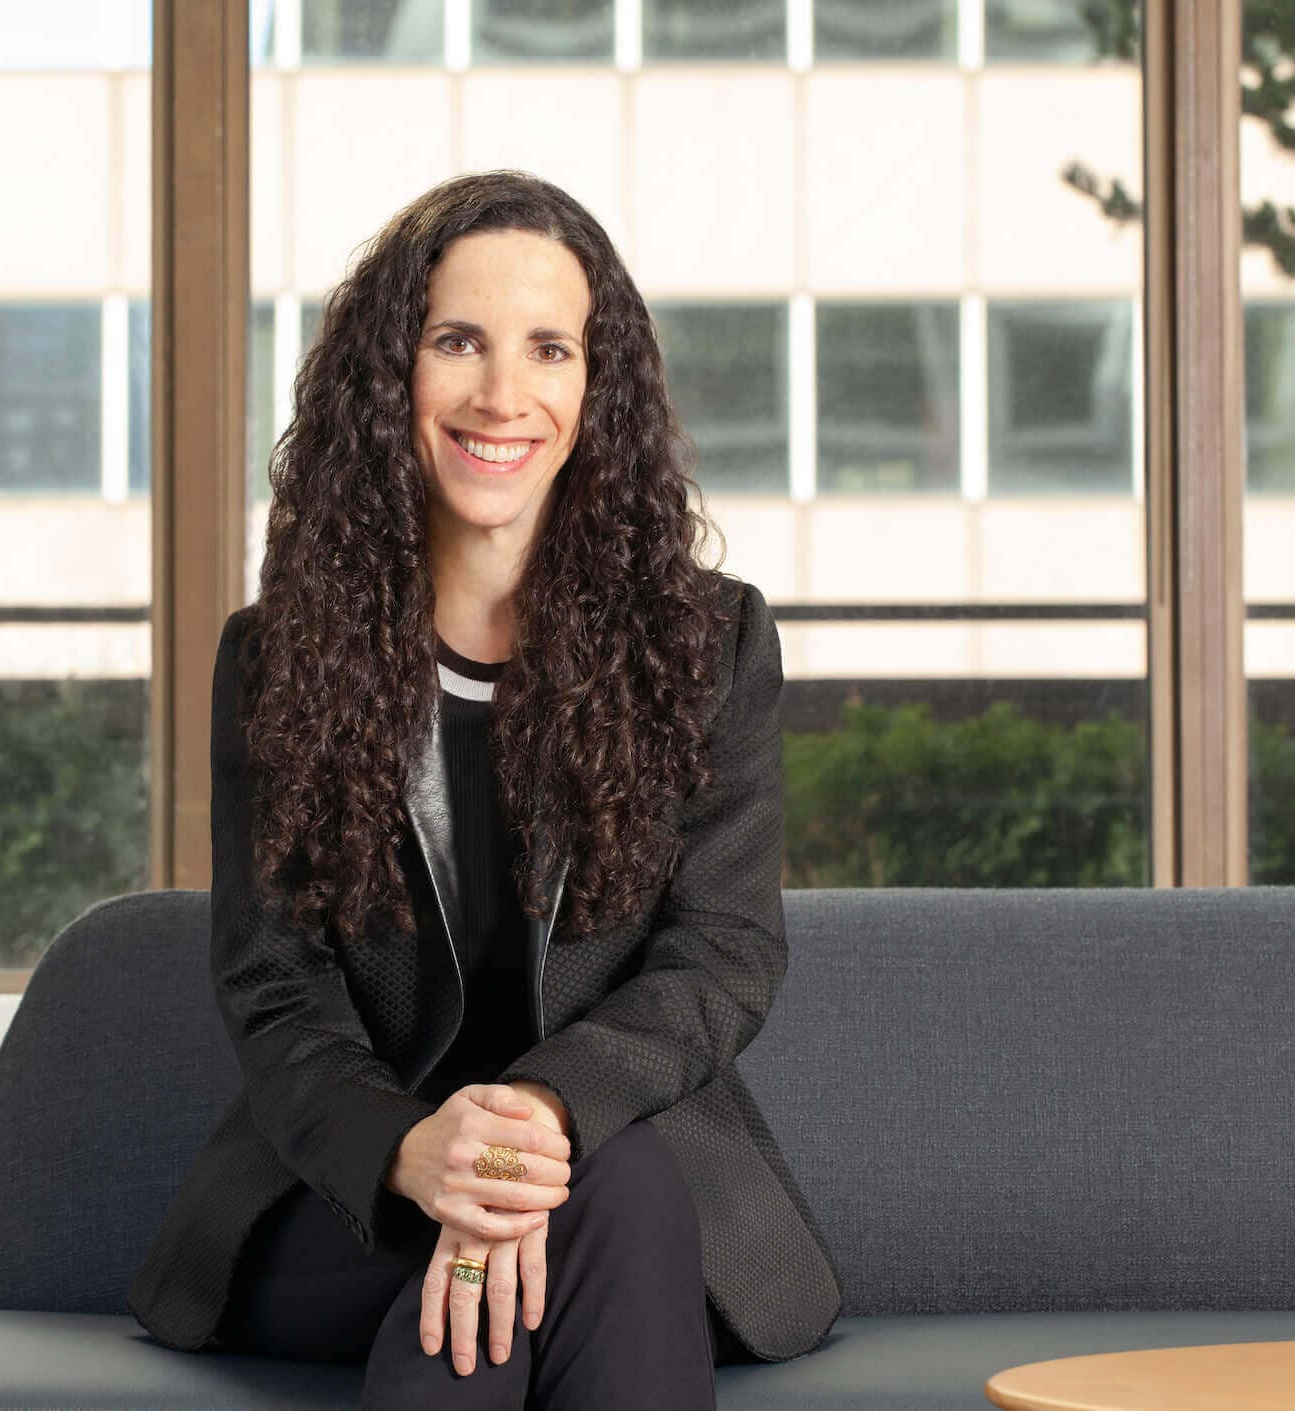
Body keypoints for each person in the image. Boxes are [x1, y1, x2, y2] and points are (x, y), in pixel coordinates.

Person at [126, 170, 841, 1408]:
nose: (502, 395)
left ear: (594, 389)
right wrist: (417, 1149)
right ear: (388, 377)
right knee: (564, 1223)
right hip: (350, 1198)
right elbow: (273, 985)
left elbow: (722, 955)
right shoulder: (277, 657)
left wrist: (535, 1122)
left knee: (589, 1197)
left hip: (622, 1171)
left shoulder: (707, 643)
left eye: (547, 349)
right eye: (458, 341)